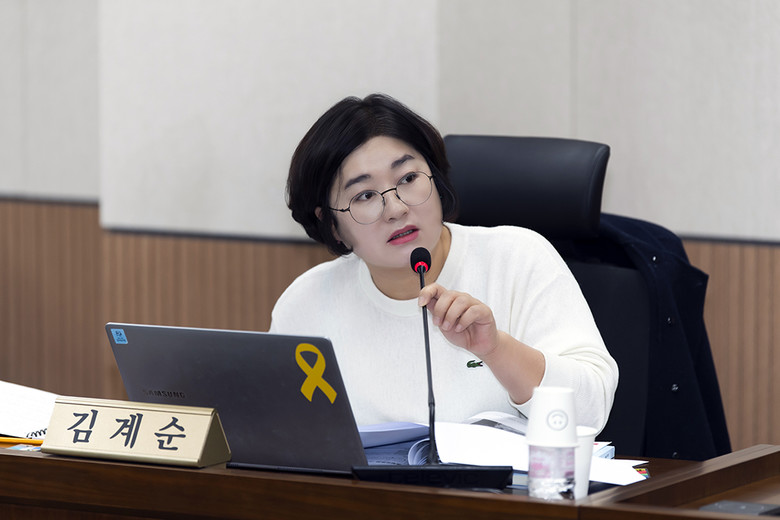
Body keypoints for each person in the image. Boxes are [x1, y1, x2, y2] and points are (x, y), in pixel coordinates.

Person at [270, 93, 618, 431]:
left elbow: (590, 412)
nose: (396, 209)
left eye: (408, 179)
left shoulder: (517, 259)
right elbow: (278, 434)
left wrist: (496, 349)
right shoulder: (306, 303)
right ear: (332, 225)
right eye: (365, 195)